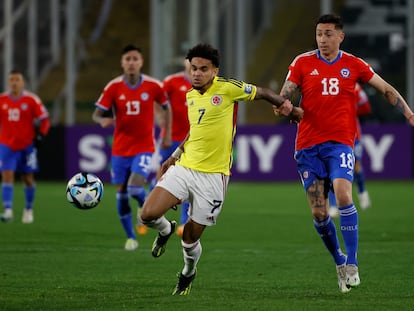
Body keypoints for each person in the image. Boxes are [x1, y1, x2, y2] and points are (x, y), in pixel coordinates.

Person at [140, 43, 303, 296]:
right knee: (147, 214)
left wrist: (287, 107)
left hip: (214, 177)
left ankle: (188, 271)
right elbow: (195, 130)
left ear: (214, 70)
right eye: (193, 68)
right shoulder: (190, 96)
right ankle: (165, 229)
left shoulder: (228, 88)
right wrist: (173, 156)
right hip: (185, 168)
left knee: (190, 239)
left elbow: (262, 92)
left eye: (203, 69)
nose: (196, 73)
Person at [275, 14, 414, 293]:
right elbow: (283, 97)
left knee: (343, 194)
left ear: (341, 36)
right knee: (319, 212)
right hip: (307, 147)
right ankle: (338, 259)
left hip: (340, 143)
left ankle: (352, 262)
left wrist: (409, 114)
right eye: (319, 34)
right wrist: (286, 107)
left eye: (328, 34)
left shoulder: (354, 64)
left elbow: (385, 89)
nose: (322, 40)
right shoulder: (302, 62)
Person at [92, 44, 172, 251]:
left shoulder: (153, 86)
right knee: (121, 194)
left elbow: (166, 107)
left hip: (144, 147)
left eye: (135, 59)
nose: (131, 62)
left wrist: (167, 133)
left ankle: (146, 211)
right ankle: (130, 237)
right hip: (120, 149)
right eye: (127, 59)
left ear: (141, 62)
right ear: (122, 62)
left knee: (135, 187)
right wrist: (103, 121)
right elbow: (97, 113)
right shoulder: (113, 87)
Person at [0, 69, 50, 224]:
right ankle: (8, 211)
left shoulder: (31, 100)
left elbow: (45, 120)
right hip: (7, 145)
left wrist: (41, 134)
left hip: (27, 146)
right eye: (11, 80)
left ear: (23, 83)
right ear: (8, 82)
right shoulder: (2, 100)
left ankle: (28, 209)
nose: (14, 83)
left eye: (17, 79)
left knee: (28, 179)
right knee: (7, 175)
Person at [158, 59, 192, 237]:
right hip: (170, 138)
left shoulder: (205, 85)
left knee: (189, 180)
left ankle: (184, 222)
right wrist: (162, 122)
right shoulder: (172, 81)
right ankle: (153, 214)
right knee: (161, 175)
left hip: (191, 141)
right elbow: (157, 101)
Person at [329, 83, 372, 218]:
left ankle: (362, 192)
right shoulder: (328, 83)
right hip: (331, 132)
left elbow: (366, 106)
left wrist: (350, 111)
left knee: (356, 166)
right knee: (331, 169)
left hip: (353, 133)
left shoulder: (355, 86)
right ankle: (333, 205)